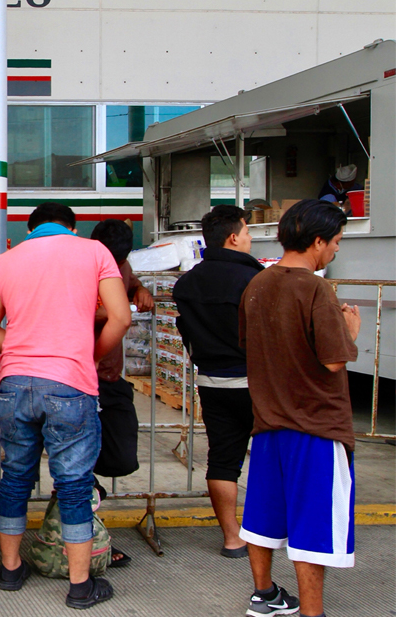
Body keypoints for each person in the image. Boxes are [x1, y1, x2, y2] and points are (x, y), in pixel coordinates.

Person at [0, 202, 130, 610]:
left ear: (30, 230)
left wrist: (23, 352)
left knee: (14, 478)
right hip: (69, 383)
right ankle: (80, 586)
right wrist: (88, 357)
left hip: (14, 384)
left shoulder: (5, 260)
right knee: (74, 484)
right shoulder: (95, 252)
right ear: (72, 228)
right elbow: (120, 317)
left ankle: (10, 570)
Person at [238, 199, 360, 617]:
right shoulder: (315, 288)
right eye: (337, 241)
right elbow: (334, 360)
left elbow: (250, 345)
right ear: (318, 241)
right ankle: (312, 611)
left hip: (268, 421)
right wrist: (349, 332)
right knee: (313, 527)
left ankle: (264, 594)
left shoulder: (257, 284)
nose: (337, 249)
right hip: (315, 426)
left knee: (262, 517)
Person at [172, 205, 263, 559]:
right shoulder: (255, 280)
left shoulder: (187, 283)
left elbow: (187, 332)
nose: (250, 239)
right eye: (248, 232)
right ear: (234, 237)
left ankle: (232, 538)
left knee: (223, 459)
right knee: (273, 457)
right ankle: (269, 533)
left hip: (212, 383)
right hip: (257, 383)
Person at [88, 218, 154, 569]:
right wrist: (113, 311)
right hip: (81, 376)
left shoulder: (122, 267)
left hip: (111, 379)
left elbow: (127, 282)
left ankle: (89, 488)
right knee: (77, 465)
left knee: (123, 456)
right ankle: (91, 541)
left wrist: (138, 288)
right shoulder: (82, 267)